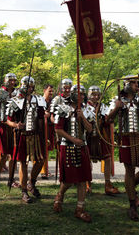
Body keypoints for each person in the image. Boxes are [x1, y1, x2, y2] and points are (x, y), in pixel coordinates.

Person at [107, 75, 139, 221]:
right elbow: (108, 119)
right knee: (130, 169)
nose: (136, 85)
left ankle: (130, 188)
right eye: (133, 83)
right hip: (126, 138)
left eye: (137, 83)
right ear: (126, 85)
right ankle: (132, 205)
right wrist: (116, 108)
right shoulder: (118, 99)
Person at [53, 85, 93, 223]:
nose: (81, 96)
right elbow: (58, 129)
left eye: (83, 94)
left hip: (83, 147)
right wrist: (73, 139)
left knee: (82, 179)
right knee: (69, 180)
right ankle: (60, 195)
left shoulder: (87, 109)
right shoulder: (64, 108)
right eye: (79, 93)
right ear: (73, 94)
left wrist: (83, 118)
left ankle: (79, 209)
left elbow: (90, 129)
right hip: (68, 147)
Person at [6, 76, 46, 203]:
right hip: (22, 135)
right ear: (23, 86)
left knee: (40, 160)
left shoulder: (38, 99)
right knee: (23, 163)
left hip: (35, 135)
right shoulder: (15, 100)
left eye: (31, 86)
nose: (29, 88)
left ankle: (31, 183)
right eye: (27, 86)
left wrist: (43, 135)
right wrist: (16, 125)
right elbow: (8, 121)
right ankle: (24, 191)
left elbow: (40, 119)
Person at [86, 86, 120, 195]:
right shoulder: (84, 106)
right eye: (93, 95)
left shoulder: (103, 107)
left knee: (108, 158)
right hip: (88, 136)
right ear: (89, 95)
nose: (95, 97)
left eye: (97, 95)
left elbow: (107, 121)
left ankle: (107, 184)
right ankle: (87, 183)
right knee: (87, 160)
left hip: (102, 137)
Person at [0, 73, 19, 189]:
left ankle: (11, 179)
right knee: (2, 154)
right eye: (10, 80)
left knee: (13, 155)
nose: (12, 82)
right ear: (6, 80)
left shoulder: (18, 93)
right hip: (2, 125)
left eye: (14, 80)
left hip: (14, 126)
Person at [40, 84, 54, 179]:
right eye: (49, 91)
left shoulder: (52, 102)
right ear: (44, 90)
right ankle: (42, 170)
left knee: (48, 149)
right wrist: (44, 113)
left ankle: (46, 169)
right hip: (41, 128)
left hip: (50, 127)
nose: (51, 93)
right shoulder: (39, 101)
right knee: (41, 149)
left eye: (52, 91)